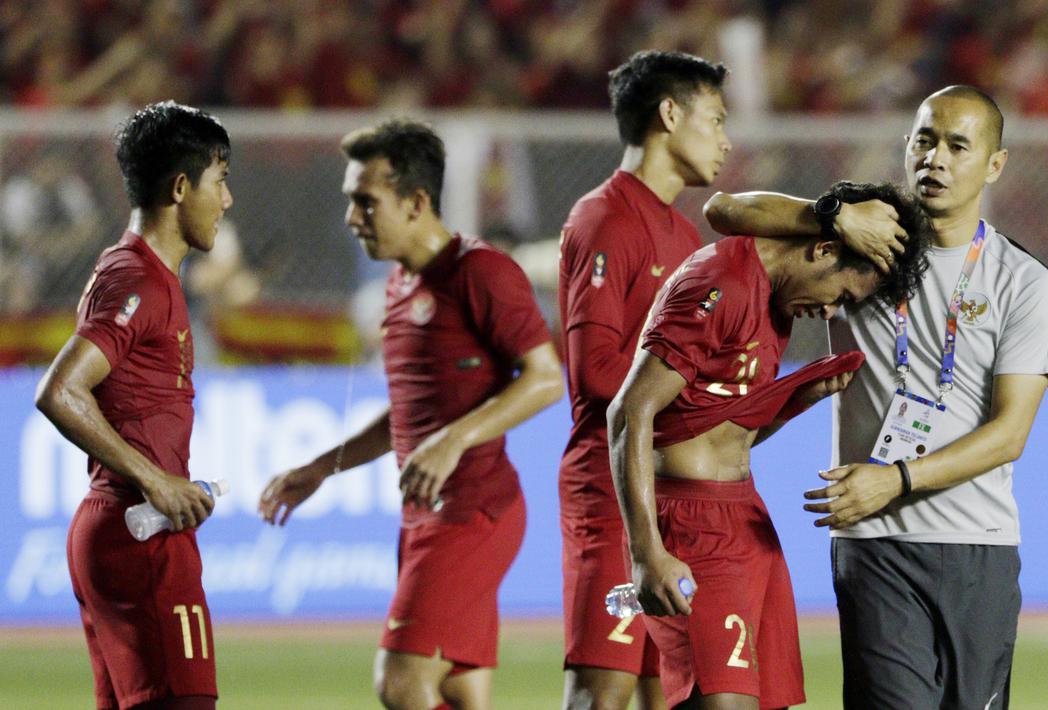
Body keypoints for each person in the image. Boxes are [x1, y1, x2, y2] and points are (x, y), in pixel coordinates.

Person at [557, 50, 908, 710]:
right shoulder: (609, 221)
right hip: (623, 492)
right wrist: (696, 389)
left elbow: (733, 216)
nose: (725, 139)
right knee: (601, 694)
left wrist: (757, 404)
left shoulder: (682, 231)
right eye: (715, 120)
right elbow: (602, 383)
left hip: (686, 491)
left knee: (667, 694)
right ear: (669, 114)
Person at [705, 85, 1048, 709]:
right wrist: (830, 214)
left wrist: (895, 479)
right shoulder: (861, 240)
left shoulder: (1023, 281)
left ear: (994, 164)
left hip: (978, 543)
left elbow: (1011, 433)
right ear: (906, 147)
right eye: (924, 141)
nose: (937, 159)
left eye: (958, 145)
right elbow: (724, 210)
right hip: (874, 545)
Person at [258, 119, 564, 710]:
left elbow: (546, 377)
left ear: (417, 201)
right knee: (458, 693)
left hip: (473, 512)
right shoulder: (399, 288)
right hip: (424, 516)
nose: (352, 218)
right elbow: (407, 414)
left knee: (400, 682)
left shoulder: (481, 272)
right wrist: (323, 467)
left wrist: (454, 441)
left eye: (365, 202)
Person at [608, 180, 931, 709]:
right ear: (824, 248)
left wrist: (794, 399)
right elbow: (629, 411)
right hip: (689, 526)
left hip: (744, 521)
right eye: (843, 295)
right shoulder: (722, 284)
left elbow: (721, 433)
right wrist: (647, 554)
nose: (832, 312)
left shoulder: (773, 303)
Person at [34, 101, 233, 710]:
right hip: (139, 537)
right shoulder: (139, 282)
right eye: (220, 181)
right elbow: (60, 389)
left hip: (118, 529)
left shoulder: (136, 272)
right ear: (181, 187)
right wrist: (155, 479)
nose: (227, 201)